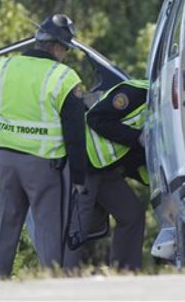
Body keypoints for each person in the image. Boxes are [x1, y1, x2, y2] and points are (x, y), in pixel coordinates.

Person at [0, 14, 88, 277]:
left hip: (4, 163)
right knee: (49, 235)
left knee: (2, 231)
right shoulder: (65, 78)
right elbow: (75, 136)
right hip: (43, 168)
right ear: (58, 47)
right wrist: (79, 177)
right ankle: (52, 288)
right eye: (65, 50)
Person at [65, 79, 148, 271]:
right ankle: (63, 277)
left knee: (131, 214)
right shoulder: (137, 93)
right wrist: (136, 137)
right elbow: (95, 118)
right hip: (85, 164)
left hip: (105, 169)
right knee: (79, 224)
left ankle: (125, 274)